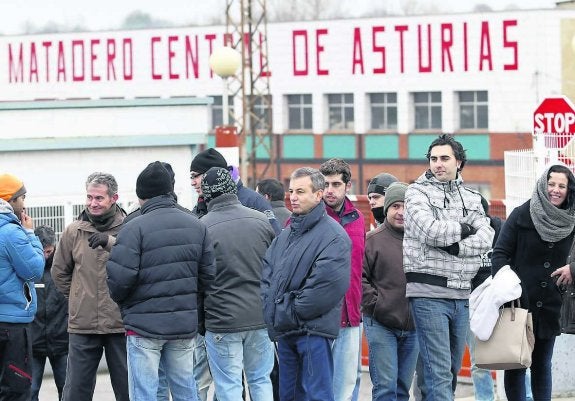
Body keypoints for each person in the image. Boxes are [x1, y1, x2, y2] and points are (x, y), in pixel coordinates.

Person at [106, 161, 214, 401]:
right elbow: (208, 277)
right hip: (183, 324)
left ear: (141, 195)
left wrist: (128, 308)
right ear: (169, 191)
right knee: (186, 389)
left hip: (143, 326)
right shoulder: (196, 225)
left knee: (145, 393)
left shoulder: (133, 228)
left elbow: (119, 281)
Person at [403, 134, 494, 401]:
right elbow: (430, 231)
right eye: (434, 159)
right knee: (439, 372)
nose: (438, 164)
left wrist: (455, 247)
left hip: (462, 292)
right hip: (428, 291)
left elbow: (486, 237)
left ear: (459, 162)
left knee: (451, 370)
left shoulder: (473, 198)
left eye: (445, 158)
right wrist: (465, 228)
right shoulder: (416, 192)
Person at [189, 147, 280, 400]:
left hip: (221, 319)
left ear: (206, 195)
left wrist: (201, 322)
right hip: (259, 316)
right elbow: (277, 267)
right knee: (260, 380)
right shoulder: (261, 220)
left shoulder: (201, 227)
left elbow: (198, 281)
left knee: (228, 384)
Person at [261, 167, 351, 401]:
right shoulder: (286, 233)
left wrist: (284, 310)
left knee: (316, 395)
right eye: (291, 191)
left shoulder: (334, 236)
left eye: (300, 191)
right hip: (286, 330)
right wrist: (274, 310)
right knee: (288, 395)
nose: (293, 197)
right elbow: (268, 275)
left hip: (313, 332)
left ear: (318, 195)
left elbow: (324, 289)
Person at [492, 163, 575, 401]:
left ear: (569, 190)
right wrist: (508, 288)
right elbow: (499, 254)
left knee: (542, 365)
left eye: (562, 185)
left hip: (551, 304)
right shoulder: (522, 214)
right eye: (551, 184)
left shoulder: (573, 219)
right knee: (517, 365)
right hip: (518, 304)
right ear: (542, 184)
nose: (555, 190)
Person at [51, 172, 129, 401]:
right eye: (89, 197)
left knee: (128, 390)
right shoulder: (73, 231)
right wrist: (78, 297)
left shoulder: (128, 229)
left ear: (113, 198)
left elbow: (135, 266)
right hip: (82, 325)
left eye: (99, 198)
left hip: (119, 324)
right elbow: (59, 272)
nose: (92, 203)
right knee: (76, 392)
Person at [362, 182, 418, 401]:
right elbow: (359, 279)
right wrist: (377, 305)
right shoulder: (372, 240)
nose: (401, 212)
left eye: (406, 206)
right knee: (385, 387)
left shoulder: (420, 241)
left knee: (403, 388)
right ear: (387, 209)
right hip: (381, 324)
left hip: (414, 326)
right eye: (395, 206)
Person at [318, 158, 365, 401]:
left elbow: (362, 266)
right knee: (319, 383)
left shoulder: (358, 219)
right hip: (320, 316)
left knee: (348, 383)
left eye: (336, 184)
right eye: (325, 184)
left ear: (348, 186)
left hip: (352, 314)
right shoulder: (310, 218)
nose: (329, 190)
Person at [0, 173, 44, 401]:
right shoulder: (11, 232)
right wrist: (30, 234)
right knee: (15, 390)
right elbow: (34, 269)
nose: (24, 204)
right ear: (10, 200)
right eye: (22, 198)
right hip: (12, 326)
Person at [466, 196, 502, 401]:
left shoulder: (500, 230)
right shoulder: (462, 233)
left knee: (515, 356)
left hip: (502, 303)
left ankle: (527, 397)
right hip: (473, 305)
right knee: (478, 361)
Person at [31, 225, 69, 401]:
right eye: (42, 252)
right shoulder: (27, 268)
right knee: (30, 391)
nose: (45, 256)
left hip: (62, 342)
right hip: (33, 343)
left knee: (67, 390)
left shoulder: (65, 268)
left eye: (49, 251)